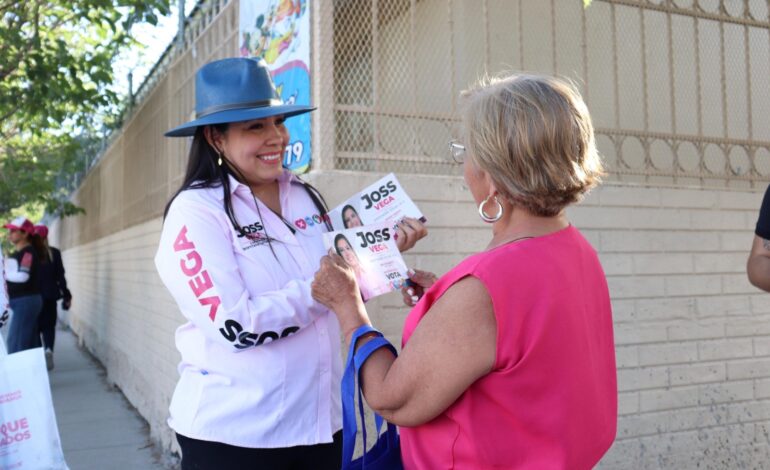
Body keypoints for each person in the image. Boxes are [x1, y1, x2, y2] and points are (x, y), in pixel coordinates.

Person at [312, 74, 617, 469]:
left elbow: (392, 398)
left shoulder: (485, 288)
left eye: (467, 152)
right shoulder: (575, 248)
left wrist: (348, 307)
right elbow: (527, 343)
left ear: (492, 175)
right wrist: (446, 300)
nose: (465, 166)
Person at [155, 57, 425, 469]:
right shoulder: (195, 212)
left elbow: (339, 287)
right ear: (215, 138)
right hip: (235, 437)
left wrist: (386, 259)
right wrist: (330, 287)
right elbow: (237, 325)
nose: (276, 137)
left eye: (278, 122)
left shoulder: (302, 194)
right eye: (255, 127)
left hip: (322, 425)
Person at [3, 217, 44, 354]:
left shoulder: (28, 253)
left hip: (25, 302)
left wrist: (3, 273)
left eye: (13, 231)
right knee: (28, 345)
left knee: (16, 344)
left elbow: (23, 276)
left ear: (25, 233)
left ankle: (18, 375)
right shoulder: (23, 253)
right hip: (24, 302)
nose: (10, 234)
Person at [33, 224, 72, 370]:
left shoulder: (29, 254)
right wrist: (66, 294)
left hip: (34, 298)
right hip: (50, 296)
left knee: (35, 329)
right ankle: (48, 350)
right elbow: (60, 277)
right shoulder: (54, 253)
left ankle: (38, 358)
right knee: (49, 327)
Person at [333, 233, 380, 301]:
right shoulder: (345, 282)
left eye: (348, 248)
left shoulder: (371, 270)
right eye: (342, 250)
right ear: (340, 255)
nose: (347, 253)